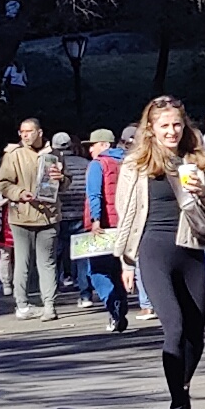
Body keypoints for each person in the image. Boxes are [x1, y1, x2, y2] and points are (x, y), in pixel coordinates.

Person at [102, 94, 205, 409]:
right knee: (174, 327)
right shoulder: (135, 164)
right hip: (153, 249)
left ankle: (182, 384)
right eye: (164, 125)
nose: (171, 131)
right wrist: (126, 261)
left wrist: (204, 192)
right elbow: (125, 212)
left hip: (190, 249)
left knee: (196, 333)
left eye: (176, 124)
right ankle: (180, 406)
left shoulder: (198, 160)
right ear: (151, 129)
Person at [0, 118, 64, 318]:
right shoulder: (14, 155)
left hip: (48, 216)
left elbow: (65, 184)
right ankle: (22, 304)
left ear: (39, 132)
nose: (24, 135)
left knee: (47, 262)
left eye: (29, 131)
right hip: (21, 217)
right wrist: (19, 193)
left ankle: (49, 305)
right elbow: (2, 182)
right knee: (22, 262)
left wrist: (62, 179)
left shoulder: (54, 154)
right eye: (22, 131)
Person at [75, 127, 129, 335]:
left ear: (105, 145)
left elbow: (94, 195)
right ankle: (120, 306)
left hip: (104, 226)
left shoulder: (98, 165)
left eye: (93, 146)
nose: (90, 151)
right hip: (125, 223)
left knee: (97, 270)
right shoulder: (127, 162)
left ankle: (115, 307)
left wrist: (96, 220)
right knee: (118, 269)